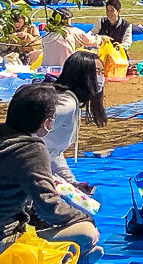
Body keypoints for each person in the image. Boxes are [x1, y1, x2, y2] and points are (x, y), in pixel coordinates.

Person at [0, 85, 99, 264]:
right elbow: (49, 206)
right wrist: (84, 218)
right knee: (86, 233)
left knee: (40, 223)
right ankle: (61, 262)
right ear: (46, 122)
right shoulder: (31, 149)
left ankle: (58, 258)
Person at [40, 52, 108, 185]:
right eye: (97, 72)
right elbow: (26, 137)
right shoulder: (66, 105)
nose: (101, 77)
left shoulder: (70, 102)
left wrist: (71, 182)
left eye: (102, 72)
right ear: (81, 75)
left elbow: (53, 152)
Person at [39, 7, 95, 72]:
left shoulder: (46, 33)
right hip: (66, 69)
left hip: (45, 70)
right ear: (67, 20)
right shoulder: (72, 31)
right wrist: (101, 39)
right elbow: (90, 41)